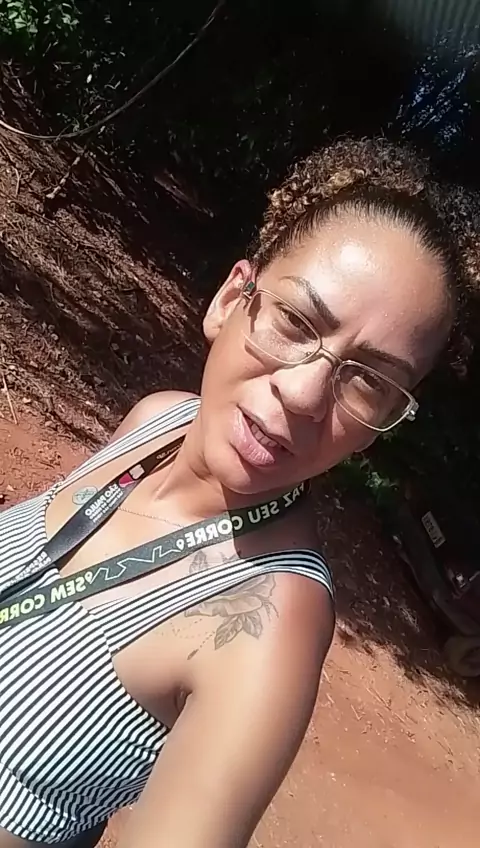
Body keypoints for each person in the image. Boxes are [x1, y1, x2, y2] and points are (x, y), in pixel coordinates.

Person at [0, 136, 477, 848]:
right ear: (231, 300)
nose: (305, 393)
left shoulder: (275, 628)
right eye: (296, 322)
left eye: (370, 381)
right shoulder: (158, 422)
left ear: (378, 430)